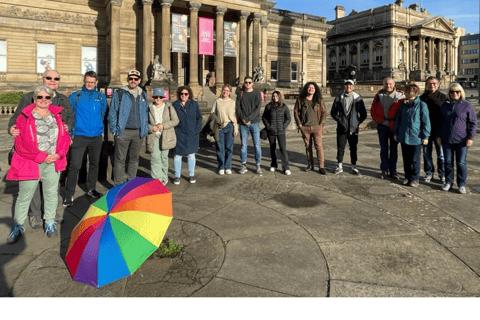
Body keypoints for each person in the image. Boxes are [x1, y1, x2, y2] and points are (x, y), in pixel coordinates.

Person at [8, 70, 74, 229]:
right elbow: (16, 117)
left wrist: (68, 127)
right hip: (32, 152)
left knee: (53, 185)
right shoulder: (29, 96)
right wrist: (12, 128)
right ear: (43, 79)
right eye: (49, 78)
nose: (53, 81)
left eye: (56, 78)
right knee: (32, 186)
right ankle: (35, 215)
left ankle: (51, 214)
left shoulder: (63, 99)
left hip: (54, 151)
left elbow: (70, 117)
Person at [63, 71, 108, 207]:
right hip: (79, 135)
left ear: (96, 83)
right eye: (87, 81)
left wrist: (101, 132)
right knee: (75, 165)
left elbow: (103, 114)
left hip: (96, 136)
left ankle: (91, 189)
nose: (89, 84)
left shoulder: (101, 97)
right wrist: (70, 135)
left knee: (94, 164)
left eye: (92, 82)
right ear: (84, 81)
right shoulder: (75, 96)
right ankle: (69, 194)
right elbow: (69, 116)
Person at [108, 70, 149, 186]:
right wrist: (114, 130)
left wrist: (144, 130)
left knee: (134, 159)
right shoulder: (120, 93)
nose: (133, 81)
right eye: (131, 78)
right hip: (123, 132)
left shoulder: (143, 94)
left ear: (139, 81)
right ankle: (118, 185)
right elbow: (112, 113)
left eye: (136, 79)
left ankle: (131, 184)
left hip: (138, 132)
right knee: (120, 160)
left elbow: (145, 113)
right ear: (127, 80)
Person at [438, 83, 477, 194]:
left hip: (462, 140)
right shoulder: (444, 105)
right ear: (449, 93)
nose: (455, 94)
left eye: (457, 91)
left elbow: (473, 123)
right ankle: (449, 182)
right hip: (446, 139)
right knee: (448, 163)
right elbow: (439, 122)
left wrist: (470, 137)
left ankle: (461, 184)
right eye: (452, 92)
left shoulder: (467, 105)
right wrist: (439, 135)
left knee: (461, 163)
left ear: (461, 92)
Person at [393, 84, 430, 187]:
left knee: (415, 159)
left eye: (409, 91)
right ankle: (407, 177)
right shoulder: (403, 105)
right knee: (406, 159)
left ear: (416, 93)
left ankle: (415, 179)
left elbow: (426, 122)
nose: (407, 93)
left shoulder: (422, 105)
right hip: (404, 136)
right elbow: (398, 120)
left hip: (416, 137)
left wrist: (425, 136)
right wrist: (396, 132)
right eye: (407, 91)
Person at [330, 79, 367, 175]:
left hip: (353, 128)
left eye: (350, 85)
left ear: (353, 87)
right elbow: (333, 112)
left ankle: (353, 166)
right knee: (340, 147)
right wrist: (339, 120)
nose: (348, 87)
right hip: (342, 128)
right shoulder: (339, 98)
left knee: (353, 148)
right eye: (346, 85)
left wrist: (357, 122)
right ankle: (339, 166)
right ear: (344, 87)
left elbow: (364, 114)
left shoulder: (358, 98)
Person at [371, 77, 405, 179]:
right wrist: (378, 120)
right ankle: (384, 170)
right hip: (383, 126)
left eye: (390, 84)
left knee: (394, 150)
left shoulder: (400, 95)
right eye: (386, 84)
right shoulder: (378, 95)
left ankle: (393, 171)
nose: (388, 86)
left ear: (394, 85)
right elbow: (373, 111)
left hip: (394, 126)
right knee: (384, 149)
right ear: (383, 84)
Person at [293, 81, 328, 174]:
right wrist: (300, 125)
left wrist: (321, 125)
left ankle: (321, 166)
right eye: (309, 87)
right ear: (306, 89)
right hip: (305, 127)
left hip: (317, 127)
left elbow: (324, 112)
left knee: (319, 147)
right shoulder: (300, 100)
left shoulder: (319, 100)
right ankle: (310, 164)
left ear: (315, 89)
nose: (311, 89)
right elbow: (296, 112)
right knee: (308, 147)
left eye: (313, 88)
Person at [147, 87, 179, 185]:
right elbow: (144, 122)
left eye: (160, 97)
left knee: (164, 158)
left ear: (163, 97)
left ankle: (164, 177)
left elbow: (176, 120)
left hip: (166, 136)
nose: (158, 99)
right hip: (154, 135)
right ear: (153, 97)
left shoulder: (169, 107)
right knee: (155, 157)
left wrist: (163, 126)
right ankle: (157, 179)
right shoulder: (149, 108)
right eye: (156, 96)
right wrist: (151, 128)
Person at [419, 76, 448, 183]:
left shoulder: (444, 97)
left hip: (439, 131)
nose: (432, 85)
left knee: (441, 155)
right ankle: (429, 173)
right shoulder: (422, 98)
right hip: (426, 131)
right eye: (430, 83)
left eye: (434, 83)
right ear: (426, 85)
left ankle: (442, 174)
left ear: (438, 84)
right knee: (426, 154)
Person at [172, 86, 202, 185]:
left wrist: (197, 130)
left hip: (191, 133)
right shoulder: (174, 105)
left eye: (186, 94)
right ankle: (177, 176)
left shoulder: (194, 104)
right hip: (179, 133)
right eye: (182, 94)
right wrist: (175, 131)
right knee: (177, 155)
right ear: (179, 94)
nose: (184, 95)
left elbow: (199, 118)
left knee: (191, 154)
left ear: (189, 95)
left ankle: (191, 174)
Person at [236, 76, 263, 174]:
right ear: (244, 83)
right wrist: (244, 118)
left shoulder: (256, 93)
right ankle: (243, 165)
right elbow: (238, 108)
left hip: (254, 123)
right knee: (243, 145)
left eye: (249, 82)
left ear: (253, 84)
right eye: (246, 82)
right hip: (243, 123)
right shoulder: (240, 93)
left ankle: (258, 165)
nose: (247, 84)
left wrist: (249, 119)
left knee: (257, 145)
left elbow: (257, 108)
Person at [210, 84, 238, 175]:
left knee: (229, 148)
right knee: (220, 148)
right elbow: (212, 113)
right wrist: (217, 120)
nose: (225, 92)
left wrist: (236, 128)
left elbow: (234, 117)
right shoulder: (217, 101)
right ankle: (221, 166)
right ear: (222, 91)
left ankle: (228, 166)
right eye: (224, 90)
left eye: (227, 90)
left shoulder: (233, 102)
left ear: (230, 92)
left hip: (230, 126)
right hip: (220, 127)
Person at [262, 90, 291, 175]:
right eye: (274, 96)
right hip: (271, 131)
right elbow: (264, 117)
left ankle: (286, 167)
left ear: (279, 97)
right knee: (272, 148)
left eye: (277, 96)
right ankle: (274, 164)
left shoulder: (284, 107)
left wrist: (283, 126)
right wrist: (268, 126)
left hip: (281, 131)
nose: (275, 98)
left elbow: (288, 118)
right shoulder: (268, 106)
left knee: (283, 149)